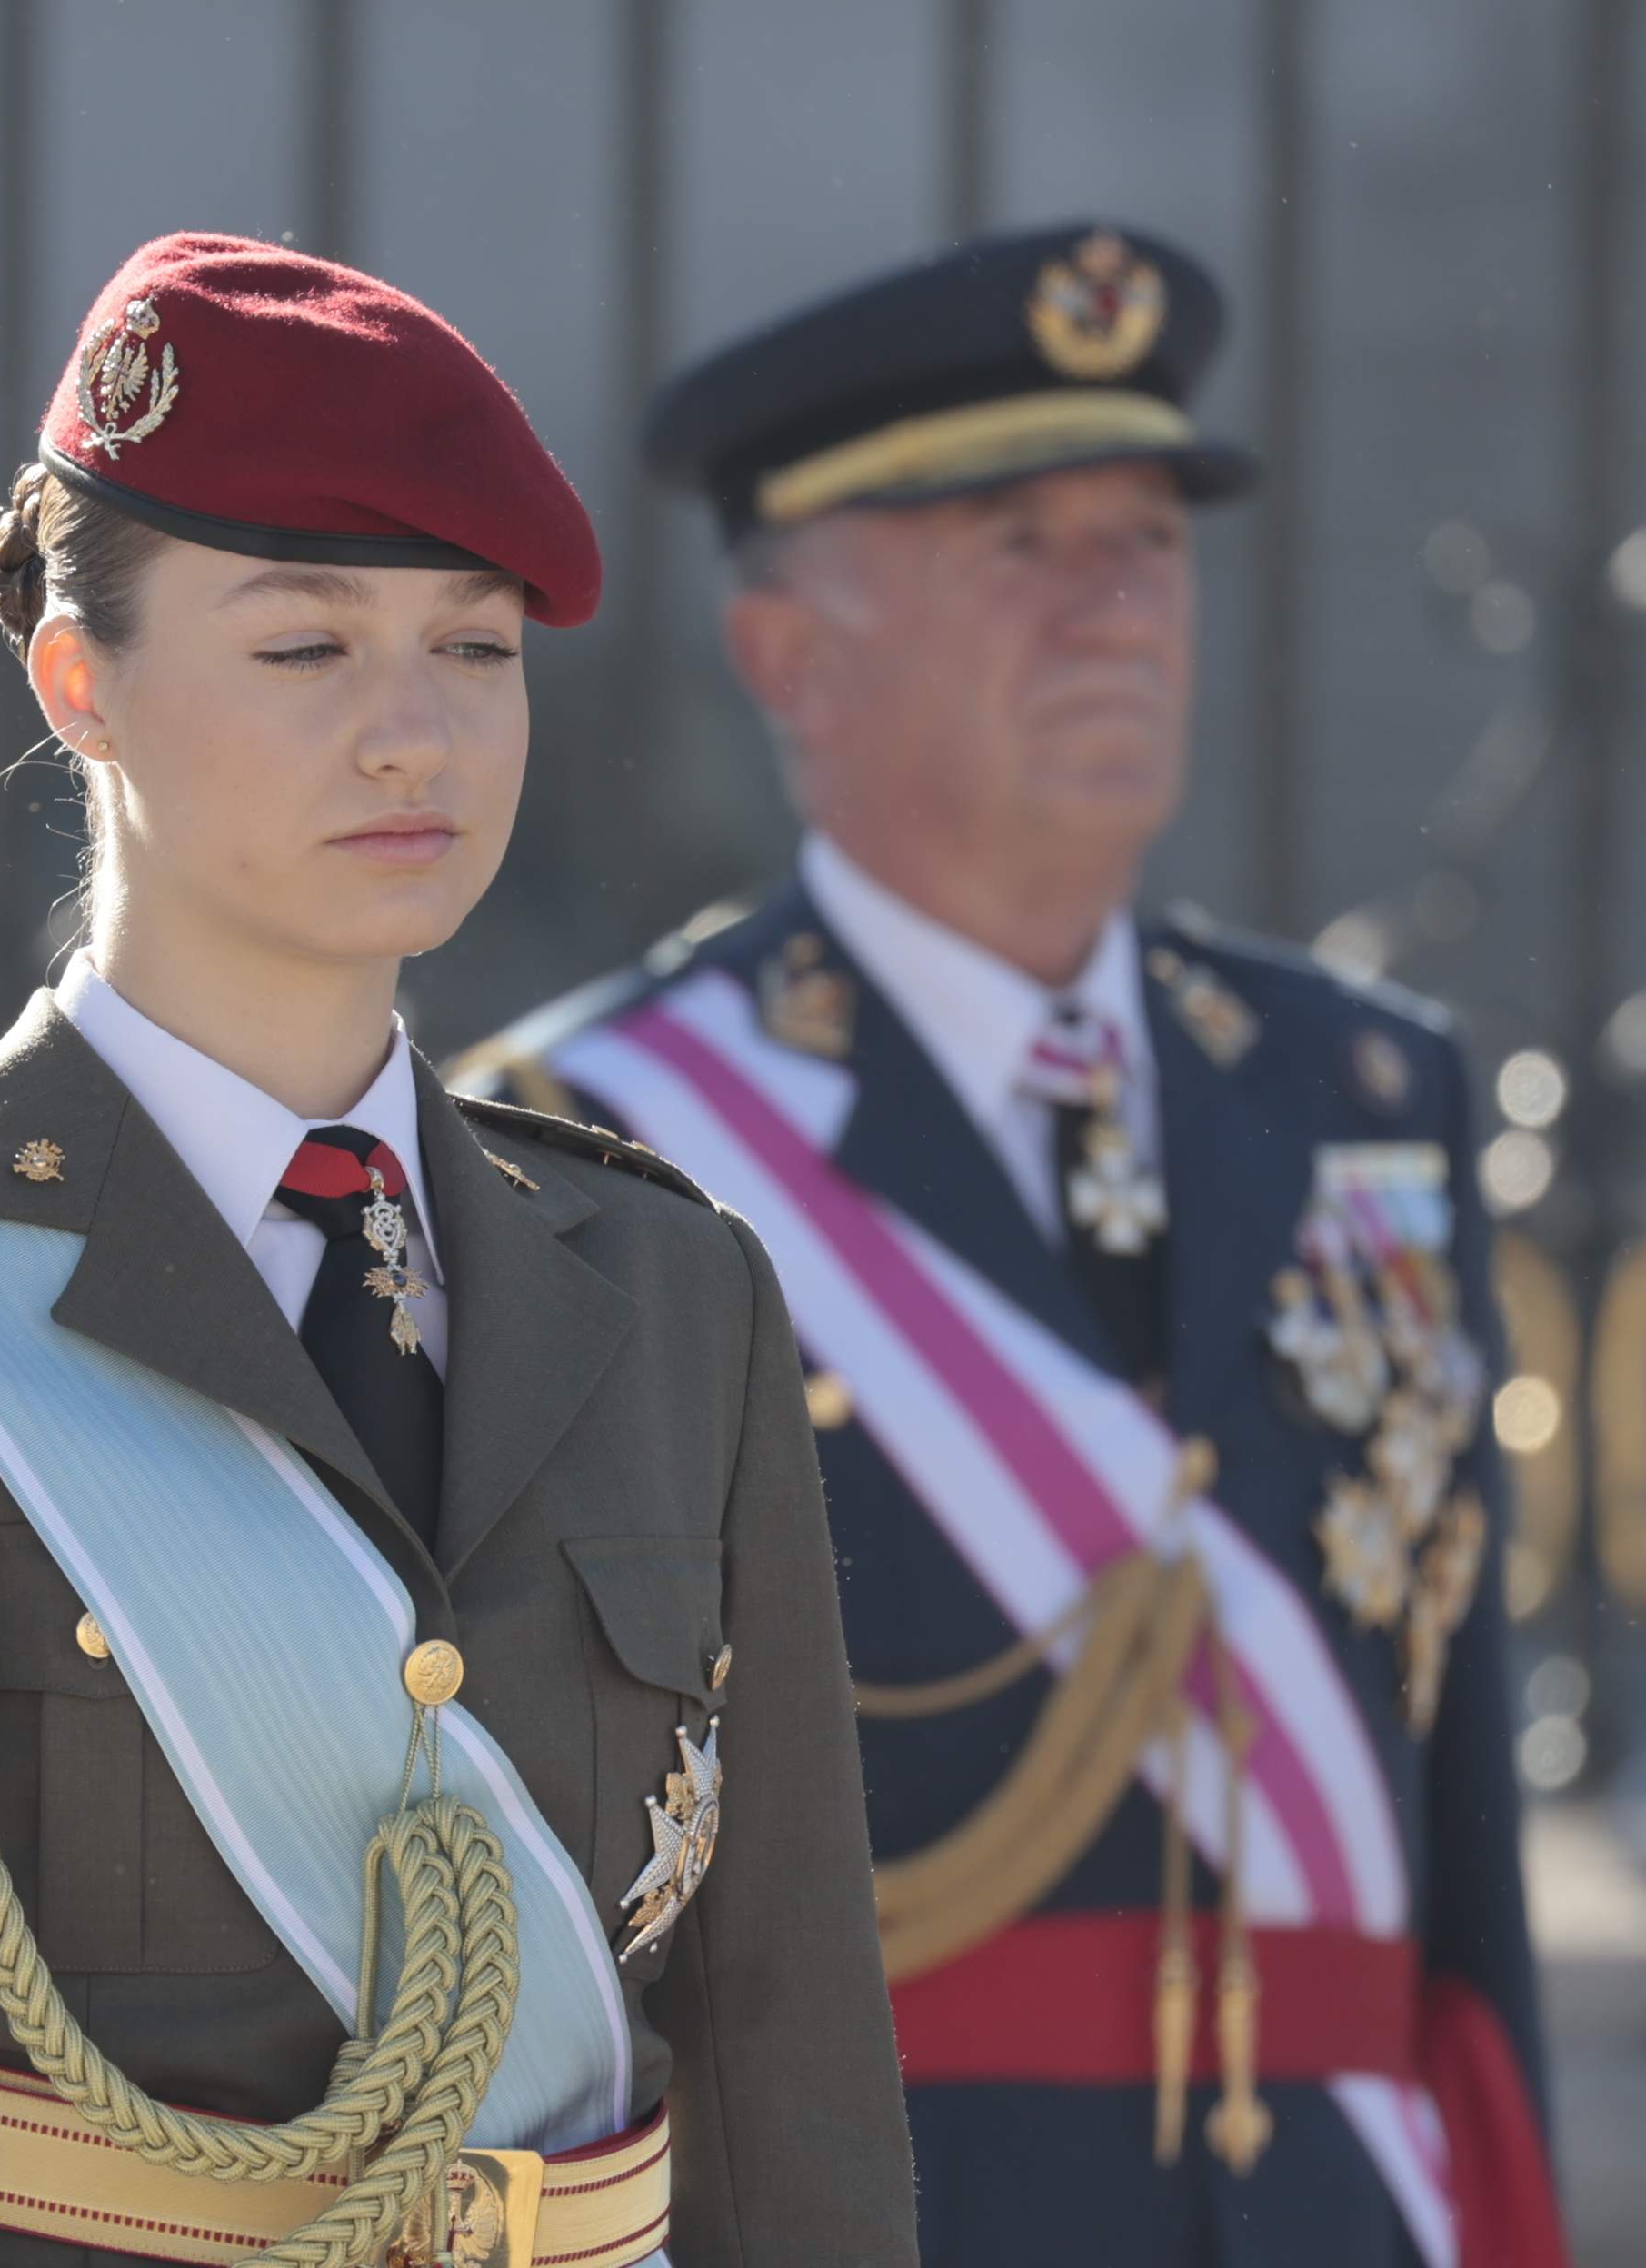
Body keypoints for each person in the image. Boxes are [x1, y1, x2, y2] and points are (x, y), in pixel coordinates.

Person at [0, 233, 914, 2268]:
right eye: (303, 649)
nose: (413, 736)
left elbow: (790, 2068)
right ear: (77, 681)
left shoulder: (669, 1293)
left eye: (475, 648)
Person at [450, 222, 1566, 2267]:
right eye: (1018, 546)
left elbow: (1459, 1868)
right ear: (793, 653)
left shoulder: (1364, 1102)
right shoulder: (592, 1150)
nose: (1118, 604)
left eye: (1150, 536)